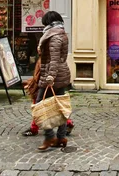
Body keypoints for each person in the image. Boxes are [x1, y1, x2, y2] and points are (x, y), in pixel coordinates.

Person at [35, 11, 72, 151]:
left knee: (40, 105)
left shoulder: (54, 36)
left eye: (45, 23)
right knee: (60, 106)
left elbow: (54, 59)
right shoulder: (60, 33)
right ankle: (61, 137)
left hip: (53, 77)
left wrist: (50, 77)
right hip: (60, 76)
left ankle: (50, 136)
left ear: (50, 23)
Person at [21, 58, 74, 138]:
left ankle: (42, 132)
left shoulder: (46, 57)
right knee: (55, 105)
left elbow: (40, 75)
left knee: (39, 105)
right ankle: (65, 127)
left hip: (49, 83)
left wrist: (37, 84)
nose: (38, 48)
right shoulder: (50, 57)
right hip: (55, 81)